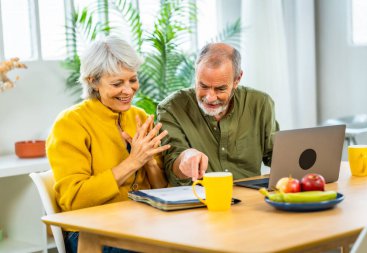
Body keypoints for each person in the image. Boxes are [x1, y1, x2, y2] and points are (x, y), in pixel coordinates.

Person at [46, 36, 170, 253]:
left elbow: (161, 191)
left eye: (133, 80)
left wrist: (149, 162)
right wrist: (133, 162)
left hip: (142, 224)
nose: (128, 90)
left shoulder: (140, 116)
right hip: (90, 232)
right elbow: (73, 200)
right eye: (117, 83)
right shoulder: (70, 123)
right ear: (93, 81)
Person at [157, 43, 279, 186]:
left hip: (250, 199)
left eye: (220, 89)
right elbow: (173, 168)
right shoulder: (171, 109)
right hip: (199, 202)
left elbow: (276, 156)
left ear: (237, 79)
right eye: (203, 86)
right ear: (196, 74)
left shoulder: (260, 103)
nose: (210, 97)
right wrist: (185, 159)